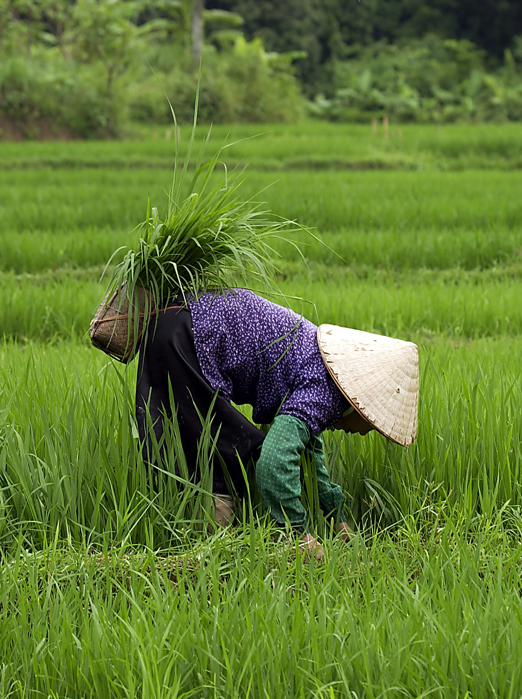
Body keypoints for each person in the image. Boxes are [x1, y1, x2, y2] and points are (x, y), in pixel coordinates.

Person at [136, 288, 418, 559]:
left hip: (180, 324)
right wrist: (297, 534)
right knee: (225, 457)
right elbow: (273, 461)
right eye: (373, 424)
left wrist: (336, 517)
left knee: (209, 454)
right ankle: (211, 559)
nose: (367, 432)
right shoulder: (323, 391)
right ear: (361, 406)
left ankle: (214, 552)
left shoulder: (322, 372)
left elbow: (307, 452)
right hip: (189, 337)